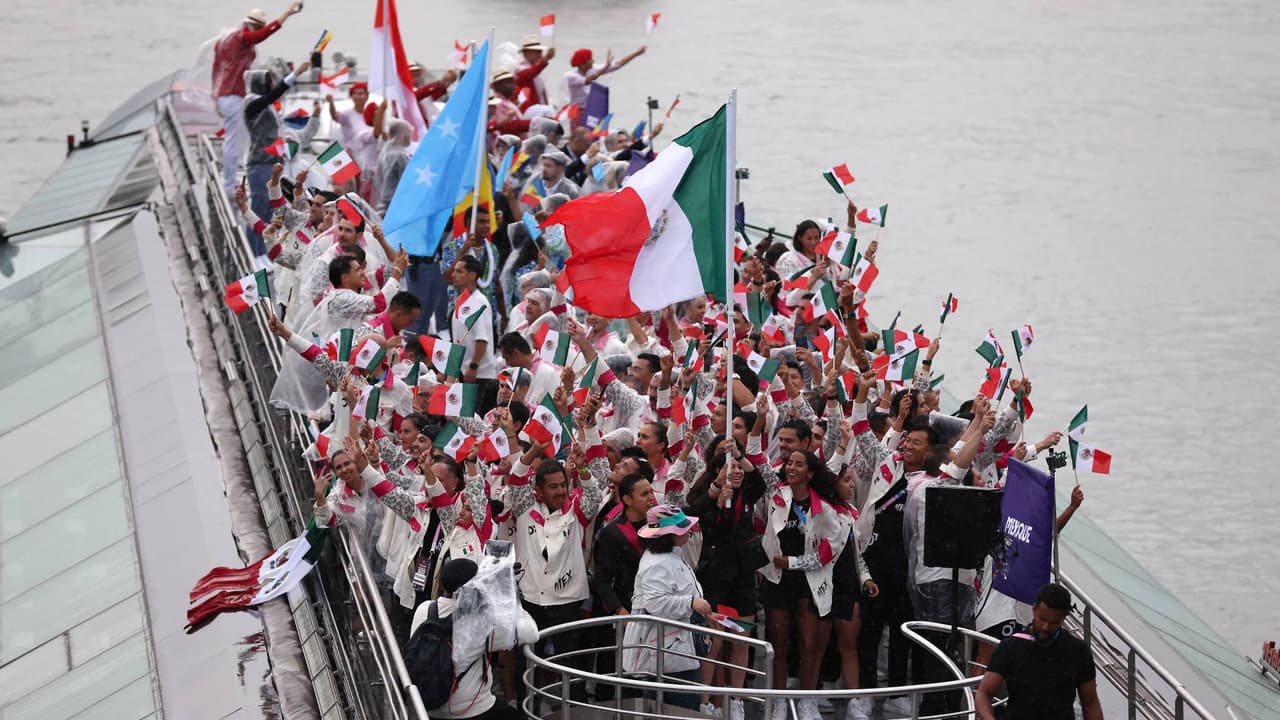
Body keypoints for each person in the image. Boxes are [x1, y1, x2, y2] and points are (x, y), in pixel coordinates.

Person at [410, 558, 539, 720]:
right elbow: (531, 632)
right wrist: (512, 596)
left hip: (429, 707)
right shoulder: (481, 624)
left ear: (442, 584)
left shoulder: (424, 610)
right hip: (472, 711)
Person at [622, 504, 720, 712]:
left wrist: (699, 610)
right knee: (676, 709)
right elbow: (655, 603)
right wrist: (691, 603)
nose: (689, 530)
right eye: (683, 528)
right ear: (668, 535)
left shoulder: (669, 556)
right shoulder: (658, 562)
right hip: (667, 653)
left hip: (674, 649)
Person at [211, 2, 302, 195]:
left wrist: (215, 93)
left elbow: (216, 68)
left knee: (235, 139)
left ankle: (231, 179)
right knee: (233, 141)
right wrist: (286, 14)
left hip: (225, 95)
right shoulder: (242, 37)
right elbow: (261, 35)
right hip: (233, 95)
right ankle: (229, 185)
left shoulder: (226, 39)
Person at [975, 583, 1103, 720]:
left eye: (1054, 622)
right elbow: (984, 694)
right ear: (1034, 609)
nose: (1046, 627)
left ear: (1064, 618)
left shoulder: (1078, 651)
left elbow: (1090, 703)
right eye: (1042, 619)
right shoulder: (1010, 647)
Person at [450, 255, 497, 392]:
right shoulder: (460, 301)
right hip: (463, 372)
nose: (453, 275)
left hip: (479, 374)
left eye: (459, 271)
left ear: (472, 275)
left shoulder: (478, 302)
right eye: (454, 270)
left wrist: (473, 367)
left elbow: (482, 339)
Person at [563, 47, 647, 118]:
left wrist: (637, 53)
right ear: (582, 64)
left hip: (589, 110)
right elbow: (588, 80)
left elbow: (618, 64)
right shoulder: (570, 76)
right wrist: (606, 66)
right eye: (590, 59)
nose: (593, 61)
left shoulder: (591, 70)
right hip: (576, 113)